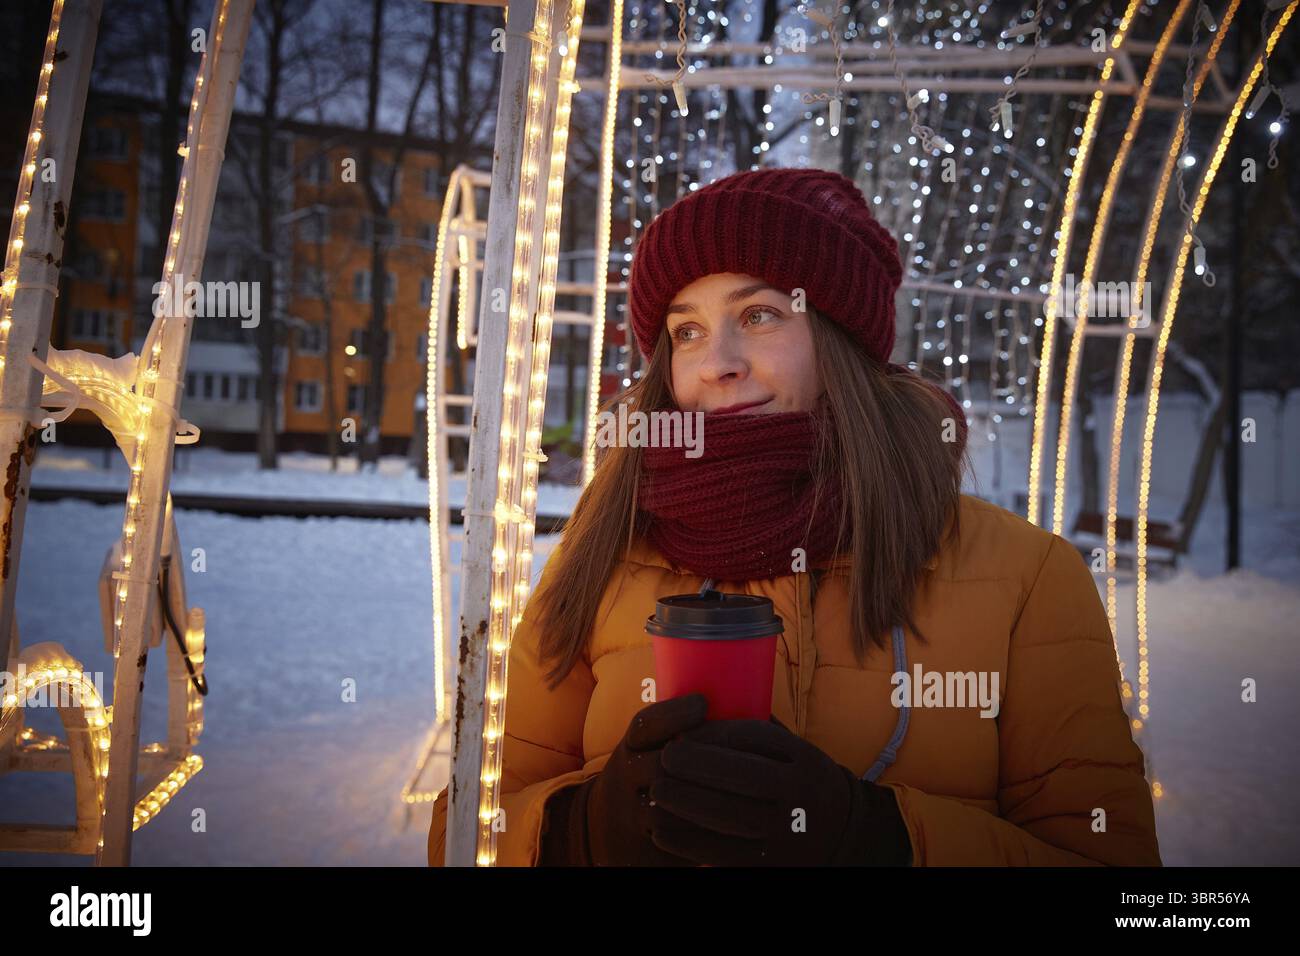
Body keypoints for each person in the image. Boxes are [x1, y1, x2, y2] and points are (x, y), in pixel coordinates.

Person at [428, 166, 1161, 867]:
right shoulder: (600, 556)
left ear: (840, 338)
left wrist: (877, 841)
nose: (718, 361)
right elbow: (461, 832)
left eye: (760, 314)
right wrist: (578, 833)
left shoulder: (1025, 577)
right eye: (685, 331)